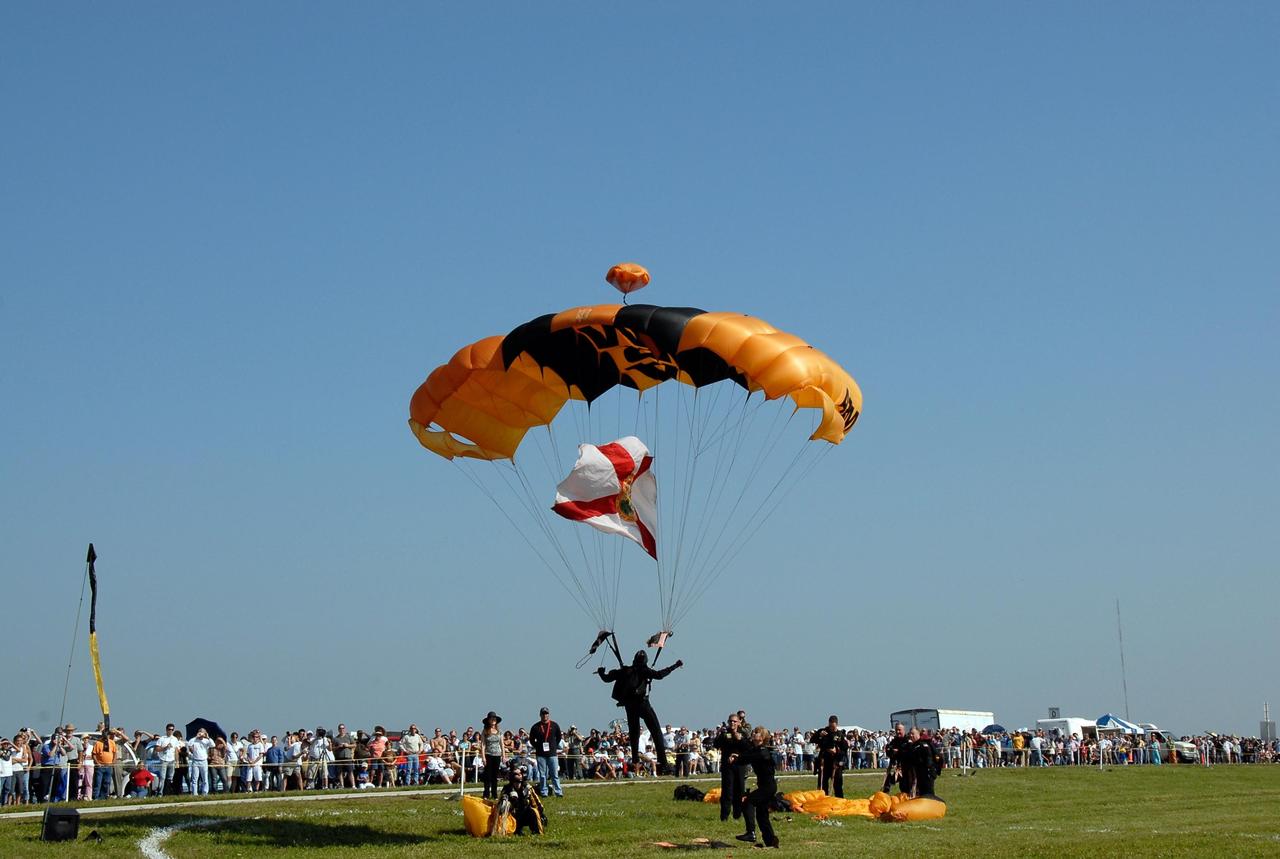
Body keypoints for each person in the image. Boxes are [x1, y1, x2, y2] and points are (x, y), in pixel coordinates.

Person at [596, 650, 684, 774]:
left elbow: (606, 678)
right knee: (656, 731)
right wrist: (675, 666)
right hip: (642, 704)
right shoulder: (644, 670)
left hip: (629, 705)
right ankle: (663, 763)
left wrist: (601, 672)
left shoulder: (625, 671)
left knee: (634, 733)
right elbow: (659, 675)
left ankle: (635, 762)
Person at [727, 726, 779, 849]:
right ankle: (771, 841)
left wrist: (737, 758)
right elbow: (746, 755)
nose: (753, 733)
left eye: (756, 732)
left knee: (747, 802)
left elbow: (748, 757)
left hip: (768, 787)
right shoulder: (756, 749)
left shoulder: (762, 751)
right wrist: (736, 756)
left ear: (762, 737)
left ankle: (751, 833)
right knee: (762, 816)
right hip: (766, 787)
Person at [714, 713, 749, 823]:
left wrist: (741, 740)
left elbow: (748, 748)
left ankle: (737, 815)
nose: (732, 723)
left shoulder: (743, 733)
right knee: (727, 791)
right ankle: (724, 817)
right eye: (730, 721)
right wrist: (718, 734)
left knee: (739, 791)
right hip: (727, 766)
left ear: (739, 722)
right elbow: (716, 745)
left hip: (740, 765)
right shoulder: (725, 733)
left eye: (734, 721)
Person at [500, 762, 546, 835]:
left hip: (525, 813)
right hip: (512, 816)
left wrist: (541, 814)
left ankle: (536, 832)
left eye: (520, 774)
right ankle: (515, 830)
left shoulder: (527, 787)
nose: (518, 776)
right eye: (516, 774)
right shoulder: (507, 789)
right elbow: (501, 808)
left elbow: (536, 802)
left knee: (533, 811)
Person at [529, 708, 564, 798]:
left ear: (549, 714)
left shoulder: (554, 725)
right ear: (540, 715)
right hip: (541, 754)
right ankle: (544, 792)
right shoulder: (535, 727)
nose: (545, 715)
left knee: (554, 774)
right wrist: (538, 746)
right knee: (543, 774)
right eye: (543, 714)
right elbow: (531, 739)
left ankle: (558, 792)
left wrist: (554, 746)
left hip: (552, 754)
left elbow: (559, 737)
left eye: (546, 714)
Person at [812, 715, 849, 797]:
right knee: (823, 783)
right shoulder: (823, 731)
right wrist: (819, 735)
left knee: (838, 784)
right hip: (824, 761)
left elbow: (845, 748)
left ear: (837, 724)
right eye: (830, 726)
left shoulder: (839, 735)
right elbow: (813, 739)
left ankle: (840, 800)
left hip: (835, 762)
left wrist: (837, 751)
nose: (832, 728)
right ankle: (823, 800)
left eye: (833, 727)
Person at [480, 712, 504, 799]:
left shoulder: (499, 731)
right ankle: (486, 794)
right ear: (488, 720)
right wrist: (483, 757)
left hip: (497, 755)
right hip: (488, 754)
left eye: (494, 719)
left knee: (495, 775)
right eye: (491, 718)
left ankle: (494, 794)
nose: (493, 720)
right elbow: (483, 745)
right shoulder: (485, 731)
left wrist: (503, 756)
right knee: (488, 775)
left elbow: (502, 744)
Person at [186, 728, 215, 795]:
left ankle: (205, 793)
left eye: (203, 732)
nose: (201, 734)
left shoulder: (206, 741)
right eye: (200, 732)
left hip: (204, 761)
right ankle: (194, 793)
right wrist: (196, 736)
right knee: (194, 779)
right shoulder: (194, 740)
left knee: (205, 778)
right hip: (195, 761)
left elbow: (213, 745)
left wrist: (208, 737)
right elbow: (189, 744)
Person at [882, 722, 909, 793]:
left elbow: (908, 751)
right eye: (896, 730)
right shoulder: (895, 741)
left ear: (904, 730)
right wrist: (892, 751)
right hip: (897, 767)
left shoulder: (908, 740)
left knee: (906, 788)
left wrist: (898, 751)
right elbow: (888, 750)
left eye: (899, 730)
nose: (898, 732)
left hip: (907, 768)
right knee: (888, 781)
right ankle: (885, 795)